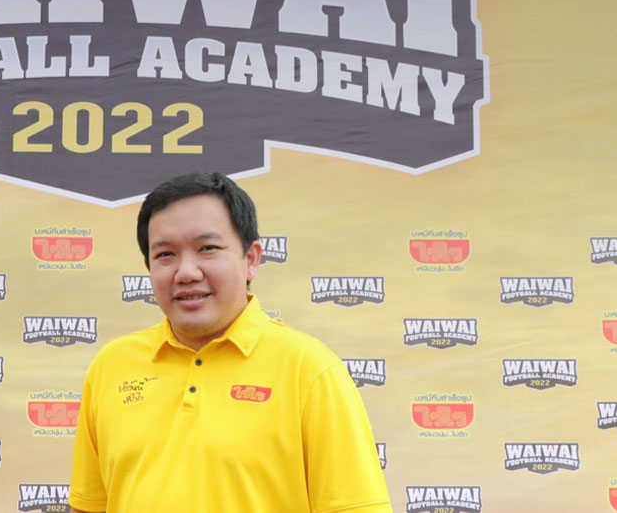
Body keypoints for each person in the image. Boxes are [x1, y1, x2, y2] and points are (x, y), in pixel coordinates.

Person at [69, 172, 392, 513]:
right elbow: (88, 506)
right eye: (165, 254)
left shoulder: (309, 370)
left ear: (251, 259)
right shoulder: (112, 366)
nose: (186, 272)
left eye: (207, 249)